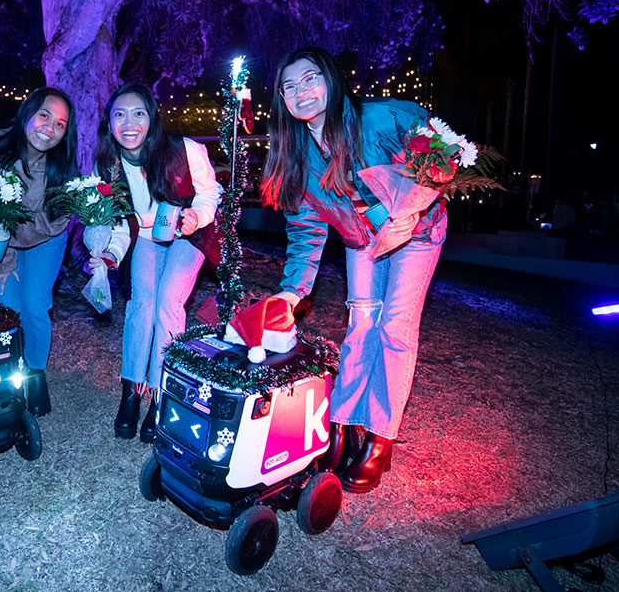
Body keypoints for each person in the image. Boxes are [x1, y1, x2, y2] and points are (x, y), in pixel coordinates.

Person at [261, 47, 446, 493]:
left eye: (309, 80)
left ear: (330, 78)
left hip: (415, 232)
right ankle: (342, 423)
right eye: (289, 87)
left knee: (396, 329)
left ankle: (381, 436)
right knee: (361, 325)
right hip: (361, 241)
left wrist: (425, 188)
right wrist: (291, 291)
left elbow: (437, 147)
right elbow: (306, 231)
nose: (300, 92)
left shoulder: (380, 118)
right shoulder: (297, 153)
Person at [87, 84, 221, 442]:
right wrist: (111, 254)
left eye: (138, 113)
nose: (129, 123)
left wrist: (197, 216)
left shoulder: (184, 149)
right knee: (141, 305)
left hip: (186, 234)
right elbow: (117, 220)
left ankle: (163, 393)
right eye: (119, 114)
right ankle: (131, 389)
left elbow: (211, 191)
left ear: (152, 118)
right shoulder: (108, 165)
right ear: (109, 122)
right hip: (145, 237)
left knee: (167, 304)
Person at [0, 87, 80, 417]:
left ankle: (35, 375)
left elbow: (52, 223)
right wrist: (2, 257)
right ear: (28, 112)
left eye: (61, 124)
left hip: (47, 239)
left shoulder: (62, 167)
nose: (50, 127)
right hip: (2, 240)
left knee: (35, 305)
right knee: (10, 305)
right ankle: (11, 374)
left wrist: (10, 241)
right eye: (45, 115)